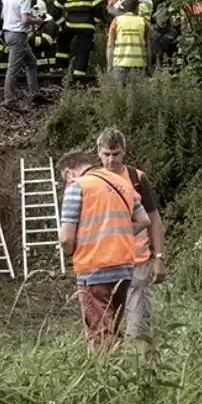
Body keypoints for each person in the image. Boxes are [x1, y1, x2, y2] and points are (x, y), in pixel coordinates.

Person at [58, 150, 150, 353]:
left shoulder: (78, 186)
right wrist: (121, 233)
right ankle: (120, 376)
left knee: (100, 336)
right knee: (113, 329)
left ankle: (106, 380)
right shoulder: (122, 183)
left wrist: (71, 251)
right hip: (124, 268)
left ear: (69, 173)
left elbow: (66, 238)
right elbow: (144, 220)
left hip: (93, 269)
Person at [95, 127, 166, 358]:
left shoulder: (137, 178)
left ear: (123, 152)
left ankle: (145, 375)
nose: (111, 159)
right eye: (106, 154)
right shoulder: (92, 182)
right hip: (105, 264)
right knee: (107, 330)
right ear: (98, 153)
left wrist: (159, 258)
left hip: (137, 263)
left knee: (138, 328)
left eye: (115, 154)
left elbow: (155, 220)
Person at [0, 0, 46, 111]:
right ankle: (9, 99)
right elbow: (25, 19)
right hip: (18, 34)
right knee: (13, 69)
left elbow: (2, 16)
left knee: (31, 63)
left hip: (8, 32)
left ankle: (35, 93)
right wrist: (37, 21)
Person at [52, 0, 104, 82]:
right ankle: (78, 79)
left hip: (70, 24)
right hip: (87, 27)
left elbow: (55, 10)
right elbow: (98, 9)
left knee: (62, 41)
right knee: (83, 50)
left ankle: (61, 68)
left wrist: (62, 23)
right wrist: (95, 22)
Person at [107, 0, 154, 86]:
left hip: (119, 65)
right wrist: (149, 66)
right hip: (139, 65)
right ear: (136, 8)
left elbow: (110, 46)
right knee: (137, 97)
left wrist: (110, 66)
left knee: (120, 96)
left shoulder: (116, 21)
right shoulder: (144, 22)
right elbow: (149, 47)